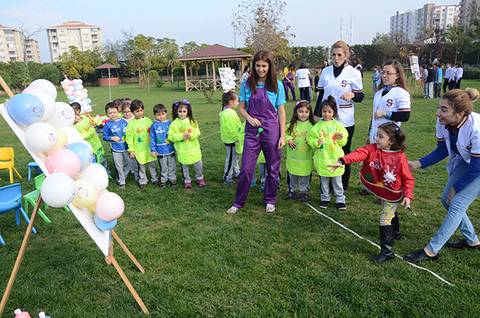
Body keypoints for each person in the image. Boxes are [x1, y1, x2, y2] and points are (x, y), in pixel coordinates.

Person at [404, 88, 480, 262]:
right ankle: (473, 241)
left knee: (457, 201)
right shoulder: (443, 122)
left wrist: (456, 188)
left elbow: (476, 167)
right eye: (439, 107)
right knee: (446, 198)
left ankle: (432, 250)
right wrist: (417, 163)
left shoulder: (476, 129)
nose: (438, 113)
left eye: (444, 110)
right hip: (470, 161)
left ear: (459, 114)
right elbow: (442, 150)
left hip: (478, 165)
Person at [328, 122, 414, 263]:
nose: (377, 139)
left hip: (393, 194)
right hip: (382, 191)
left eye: (381, 137)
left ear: (392, 141)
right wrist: (343, 160)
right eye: (377, 136)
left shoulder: (400, 158)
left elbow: (408, 178)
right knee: (390, 211)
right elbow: (359, 154)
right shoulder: (373, 149)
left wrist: (407, 196)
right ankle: (396, 232)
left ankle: (387, 253)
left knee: (385, 218)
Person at [227, 50, 286, 214]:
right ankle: (238, 202)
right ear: (253, 67)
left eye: (264, 66)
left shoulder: (277, 85)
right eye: (258, 66)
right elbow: (241, 108)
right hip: (253, 131)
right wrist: (250, 119)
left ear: (270, 66)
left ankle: (270, 199)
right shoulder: (247, 85)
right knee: (246, 168)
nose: (261, 69)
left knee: (273, 168)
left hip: (272, 129)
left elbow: (281, 112)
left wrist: (282, 136)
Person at [313, 40, 364, 191]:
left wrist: (352, 94)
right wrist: (316, 114)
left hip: (345, 119)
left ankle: (343, 185)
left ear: (346, 56)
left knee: (343, 152)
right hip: (327, 119)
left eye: (339, 55)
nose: (336, 58)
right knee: (328, 151)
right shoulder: (326, 71)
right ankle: (328, 184)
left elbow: (361, 96)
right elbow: (322, 93)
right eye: (333, 55)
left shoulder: (354, 73)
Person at [308, 96, 348, 210]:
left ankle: (340, 199)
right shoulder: (317, 127)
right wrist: (316, 142)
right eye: (324, 111)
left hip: (335, 159)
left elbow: (344, 141)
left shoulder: (338, 126)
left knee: (337, 181)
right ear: (321, 112)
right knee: (324, 181)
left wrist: (340, 138)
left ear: (334, 112)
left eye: (329, 111)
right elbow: (310, 140)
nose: (326, 114)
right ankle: (325, 198)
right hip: (323, 159)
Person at [368, 60, 411, 146]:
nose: (384, 76)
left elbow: (405, 116)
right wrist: (370, 133)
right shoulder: (378, 93)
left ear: (397, 75)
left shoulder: (401, 93)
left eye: (388, 73)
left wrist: (385, 113)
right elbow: (374, 115)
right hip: (375, 136)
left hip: (390, 138)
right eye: (383, 72)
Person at [168, 99, 205, 188]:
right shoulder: (174, 124)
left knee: (198, 164)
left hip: (194, 148)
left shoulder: (192, 121)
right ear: (176, 112)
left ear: (188, 111)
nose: (182, 114)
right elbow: (171, 136)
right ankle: (187, 180)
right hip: (182, 150)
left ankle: (200, 178)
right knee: (184, 166)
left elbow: (197, 132)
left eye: (184, 111)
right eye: (180, 111)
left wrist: (191, 135)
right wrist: (181, 137)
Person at [103, 102, 139, 188]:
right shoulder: (107, 125)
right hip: (116, 149)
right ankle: (121, 180)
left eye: (114, 112)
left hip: (126, 148)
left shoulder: (124, 122)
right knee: (118, 165)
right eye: (110, 113)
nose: (113, 115)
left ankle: (138, 177)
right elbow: (104, 137)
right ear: (107, 114)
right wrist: (111, 138)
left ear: (118, 112)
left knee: (131, 163)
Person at [285, 100, 315, 202]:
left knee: (305, 175)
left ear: (310, 113)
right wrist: (288, 139)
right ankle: (291, 190)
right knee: (292, 174)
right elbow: (284, 133)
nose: (303, 114)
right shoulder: (291, 124)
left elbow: (316, 137)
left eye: (306, 112)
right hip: (294, 157)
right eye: (301, 111)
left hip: (306, 157)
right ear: (296, 112)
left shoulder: (312, 126)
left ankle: (304, 191)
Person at [126, 99, 159, 189]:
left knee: (152, 164)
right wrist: (131, 149)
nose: (139, 113)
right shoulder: (131, 124)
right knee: (141, 166)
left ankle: (155, 178)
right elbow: (129, 138)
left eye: (141, 110)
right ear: (133, 112)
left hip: (149, 148)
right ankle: (143, 180)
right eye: (137, 111)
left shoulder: (148, 120)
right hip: (139, 149)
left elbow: (153, 134)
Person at [150, 103, 177, 189]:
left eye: (163, 114)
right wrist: (153, 150)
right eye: (158, 115)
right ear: (154, 115)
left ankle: (173, 179)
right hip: (160, 150)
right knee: (163, 166)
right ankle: (164, 180)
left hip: (170, 149)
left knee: (172, 165)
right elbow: (152, 138)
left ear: (166, 113)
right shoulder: (154, 125)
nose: (161, 116)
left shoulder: (170, 123)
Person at [220, 90, 241, 185]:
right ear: (231, 102)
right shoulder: (228, 113)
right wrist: (236, 137)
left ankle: (236, 173)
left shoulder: (230, 111)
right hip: (232, 140)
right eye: (237, 101)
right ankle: (227, 177)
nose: (238, 103)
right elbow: (230, 128)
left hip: (236, 139)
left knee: (236, 157)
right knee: (232, 158)